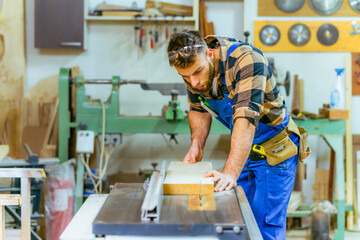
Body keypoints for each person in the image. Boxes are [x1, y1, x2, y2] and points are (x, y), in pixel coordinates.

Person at [167, 31, 310, 240]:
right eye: (185, 77)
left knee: (263, 227)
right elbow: (198, 108)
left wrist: (230, 173)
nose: (194, 82)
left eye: (198, 72)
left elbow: (245, 121)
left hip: (274, 150)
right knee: (235, 220)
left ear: (208, 53)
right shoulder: (191, 70)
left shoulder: (247, 61)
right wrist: (196, 145)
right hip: (246, 149)